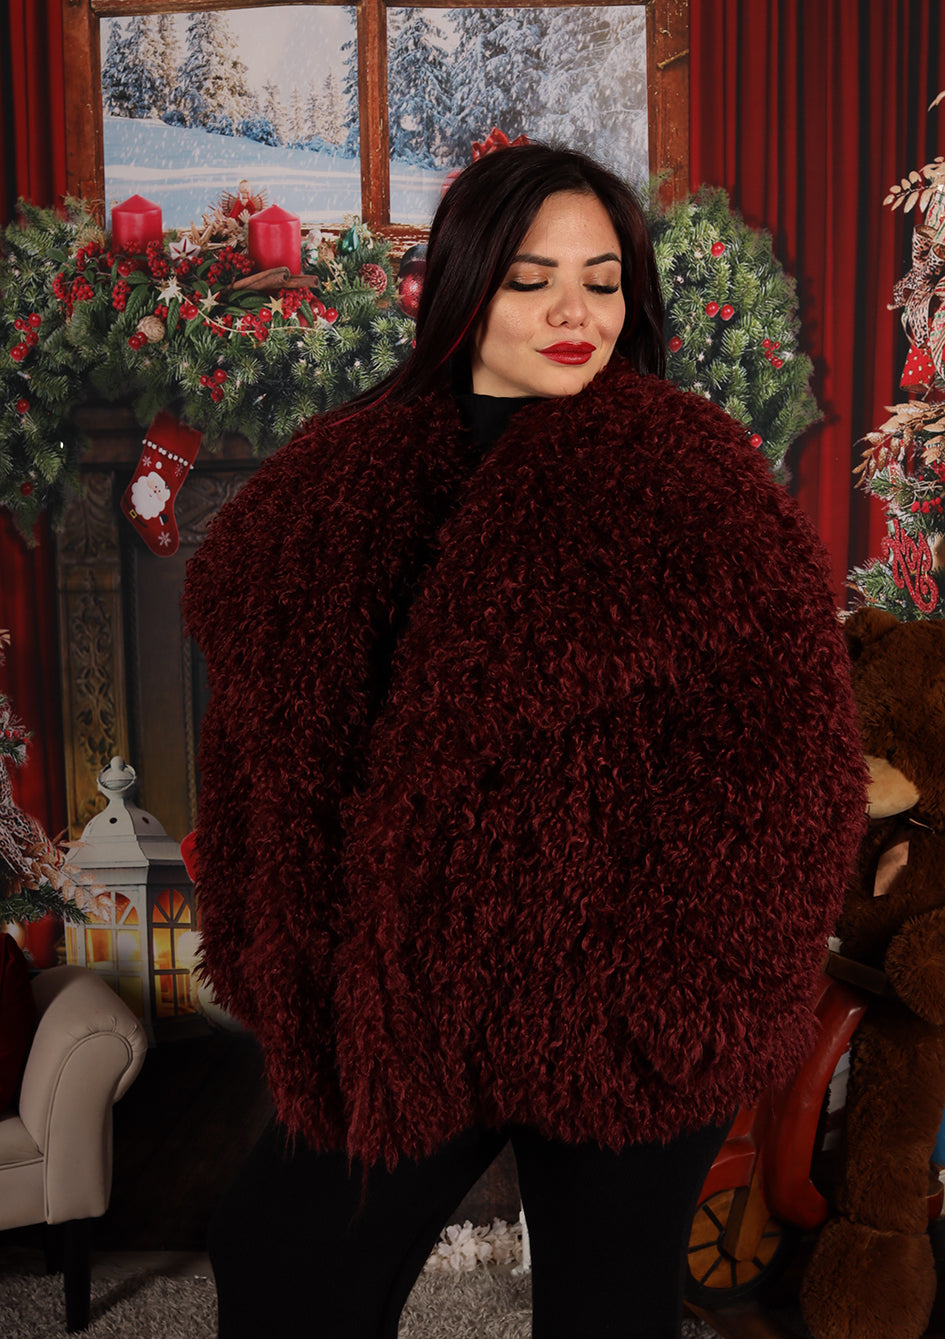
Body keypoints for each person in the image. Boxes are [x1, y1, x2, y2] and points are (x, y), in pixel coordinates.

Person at [182, 144, 865, 1338]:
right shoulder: (325, 492)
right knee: (282, 1254)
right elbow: (264, 759)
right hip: (404, 990)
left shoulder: (697, 488)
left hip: (628, 995)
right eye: (531, 278)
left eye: (602, 281)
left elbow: (798, 766)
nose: (574, 312)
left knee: (608, 1312)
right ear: (462, 285)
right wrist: (290, 943)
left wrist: (689, 969)